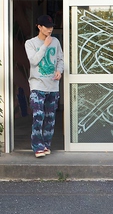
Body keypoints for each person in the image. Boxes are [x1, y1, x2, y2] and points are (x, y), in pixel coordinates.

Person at [24, 14, 64, 158]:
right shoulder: (30, 43)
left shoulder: (56, 42)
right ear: (39, 27)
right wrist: (45, 45)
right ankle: (37, 146)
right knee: (38, 116)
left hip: (52, 85)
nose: (50, 30)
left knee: (50, 118)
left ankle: (46, 144)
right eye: (47, 27)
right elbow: (34, 61)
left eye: (51, 27)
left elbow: (60, 58)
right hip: (37, 85)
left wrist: (59, 70)